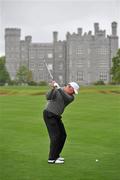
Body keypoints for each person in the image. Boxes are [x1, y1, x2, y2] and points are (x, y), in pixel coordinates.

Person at [43, 81, 79, 164]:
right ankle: (52, 158)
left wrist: (58, 88)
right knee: (55, 136)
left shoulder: (71, 97)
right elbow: (48, 97)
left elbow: (65, 97)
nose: (73, 93)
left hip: (56, 116)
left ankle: (56, 155)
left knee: (63, 135)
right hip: (49, 114)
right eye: (73, 91)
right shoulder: (58, 89)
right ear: (69, 87)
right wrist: (53, 89)